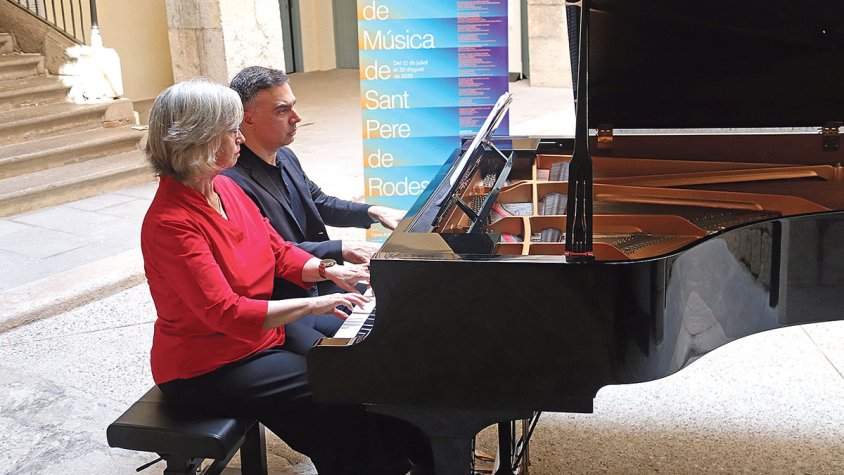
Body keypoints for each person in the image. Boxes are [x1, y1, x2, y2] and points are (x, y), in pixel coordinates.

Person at [140, 78, 421, 475]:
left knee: (356, 378)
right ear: (199, 140)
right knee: (334, 395)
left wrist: (329, 271)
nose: (240, 137)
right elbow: (225, 313)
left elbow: (275, 249)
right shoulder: (171, 223)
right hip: (209, 364)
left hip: (257, 341)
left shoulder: (223, 187)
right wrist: (314, 302)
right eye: (230, 129)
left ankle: (407, 459)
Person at [222, 66, 405, 301]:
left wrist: (373, 212)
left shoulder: (285, 156)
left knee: (398, 295)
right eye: (282, 110)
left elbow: (318, 201)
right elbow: (271, 251)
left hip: (324, 280)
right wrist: (341, 248)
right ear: (248, 118)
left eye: (293, 105)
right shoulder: (230, 182)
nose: (296, 117)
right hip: (288, 298)